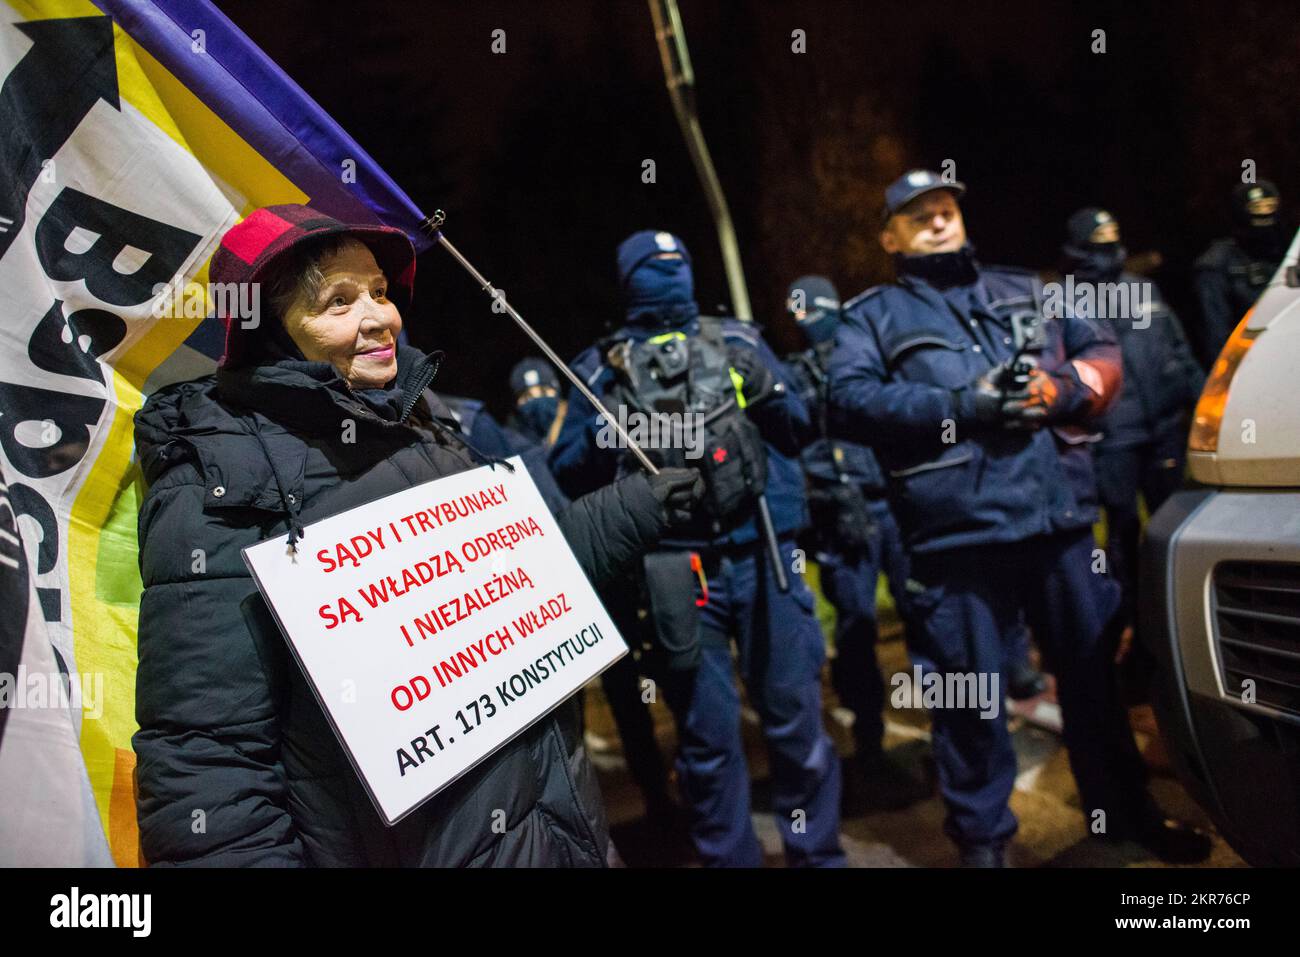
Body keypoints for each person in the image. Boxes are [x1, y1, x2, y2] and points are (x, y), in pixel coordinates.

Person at [131, 204, 703, 867]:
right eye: (337, 301)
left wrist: (633, 507)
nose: (379, 317)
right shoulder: (222, 480)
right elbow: (209, 769)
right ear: (268, 328)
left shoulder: (431, 423)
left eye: (378, 290)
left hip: (565, 830)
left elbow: (515, 587)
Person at [829, 170, 1212, 866]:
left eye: (946, 210)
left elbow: (1101, 354)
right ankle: (984, 848)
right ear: (890, 237)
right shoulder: (872, 317)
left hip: (1055, 520)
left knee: (1094, 683)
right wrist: (963, 407)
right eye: (920, 217)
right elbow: (850, 401)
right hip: (956, 538)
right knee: (969, 705)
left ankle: (1125, 818)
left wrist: (1057, 388)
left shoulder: (1027, 288)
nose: (940, 222)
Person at [551, 230, 844, 867]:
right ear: (629, 280)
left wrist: (768, 390)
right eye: (653, 268)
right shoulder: (603, 365)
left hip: (764, 552)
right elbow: (565, 469)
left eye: (675, 264)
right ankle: (729, 857)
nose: (668, 276)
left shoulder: (738, 340)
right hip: (674, 573)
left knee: (797, 722)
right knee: (708, 742)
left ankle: (818, 855)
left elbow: (797, 434)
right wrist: (610, 435)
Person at [780, 275, 928, 810]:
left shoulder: (863, 360)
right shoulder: (795, 376)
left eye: (814, 312)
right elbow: (796, 445)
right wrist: (822, 499)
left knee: (924, 614)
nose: (810, 326)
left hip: (889, 505)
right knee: (856, 629)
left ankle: (952, 731)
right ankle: (868, 744)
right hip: (840, 519)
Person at [1059, 208, 1204, 648]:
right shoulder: (1065, 301)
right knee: (1122, 537)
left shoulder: (1143, 288)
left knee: (1176, 528)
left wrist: (1202, 405)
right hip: (1112, 439)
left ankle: (1182, 624)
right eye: (1099, 238)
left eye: (1113, 235)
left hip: (1164, 432)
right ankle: (1138, 635)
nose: (1110, 243)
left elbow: (1179, 349)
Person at [1193, 180, 1289, 366]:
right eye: (1257, 207)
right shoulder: (1218, 265)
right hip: (1255, 364)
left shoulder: (1290, 254)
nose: (1265, 214)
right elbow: (1216, 334)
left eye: (1270, 206)